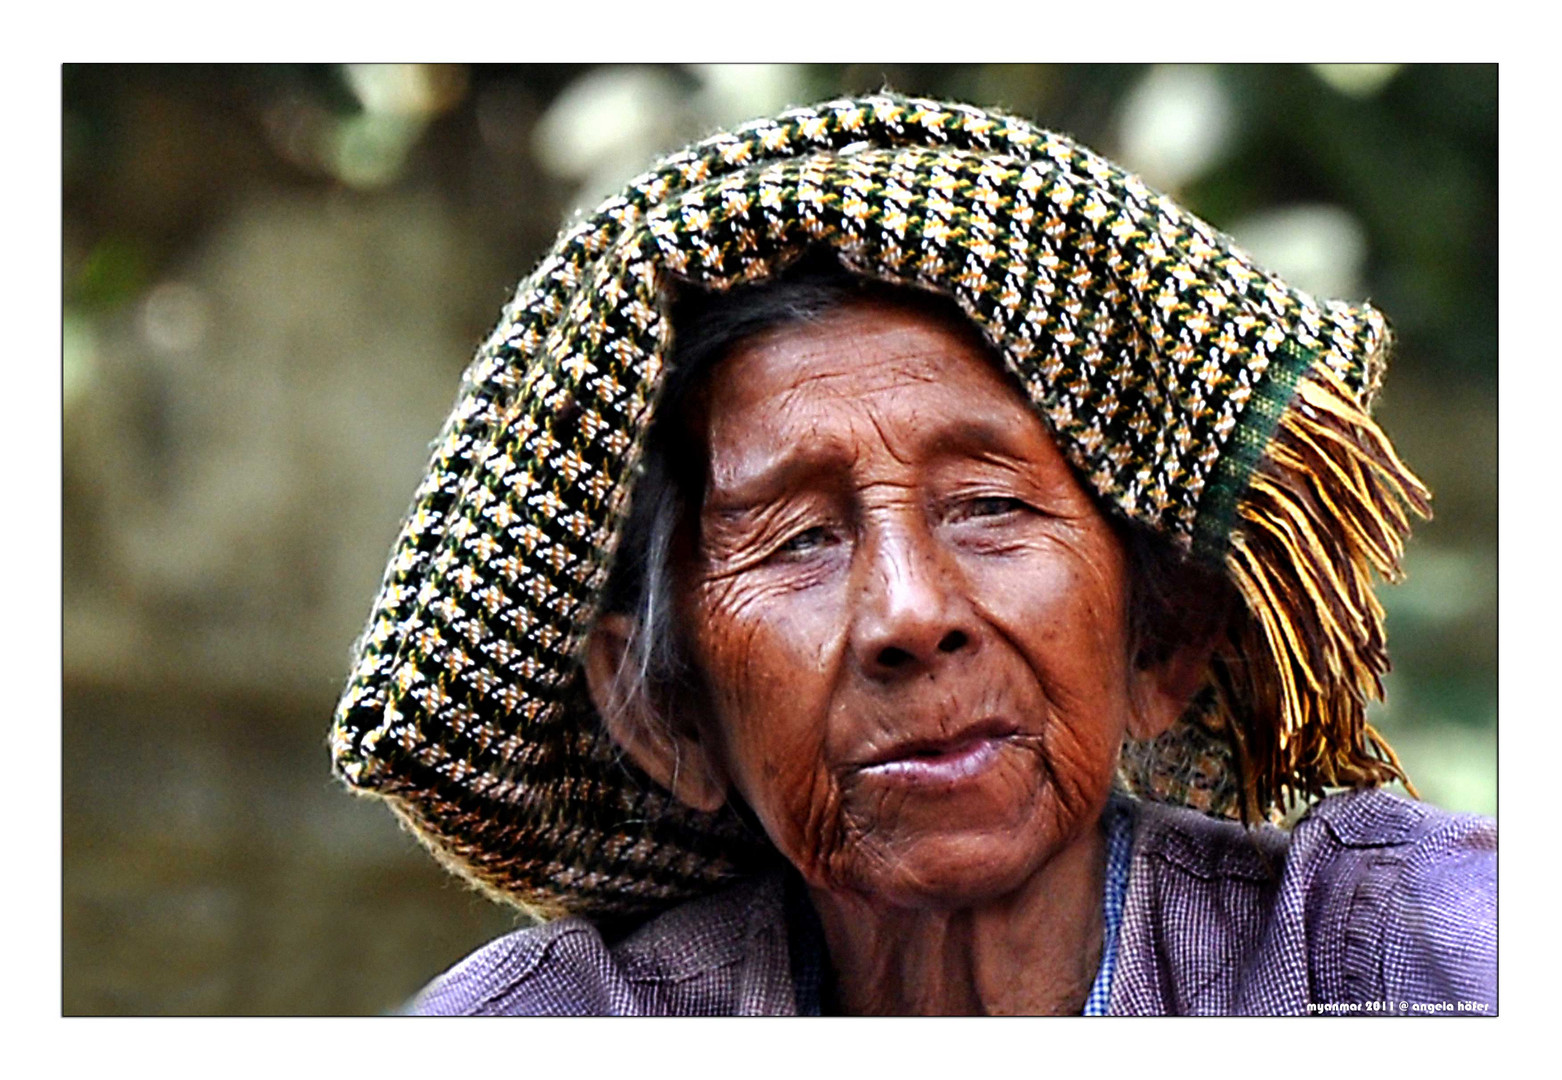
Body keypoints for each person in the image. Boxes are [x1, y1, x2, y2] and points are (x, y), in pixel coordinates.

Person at [329, 94, 1495, 1015]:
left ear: (1163, 643)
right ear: (666, 721)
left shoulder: (1394, 962)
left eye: (987, 506)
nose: (908, 612)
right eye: (796, 538)